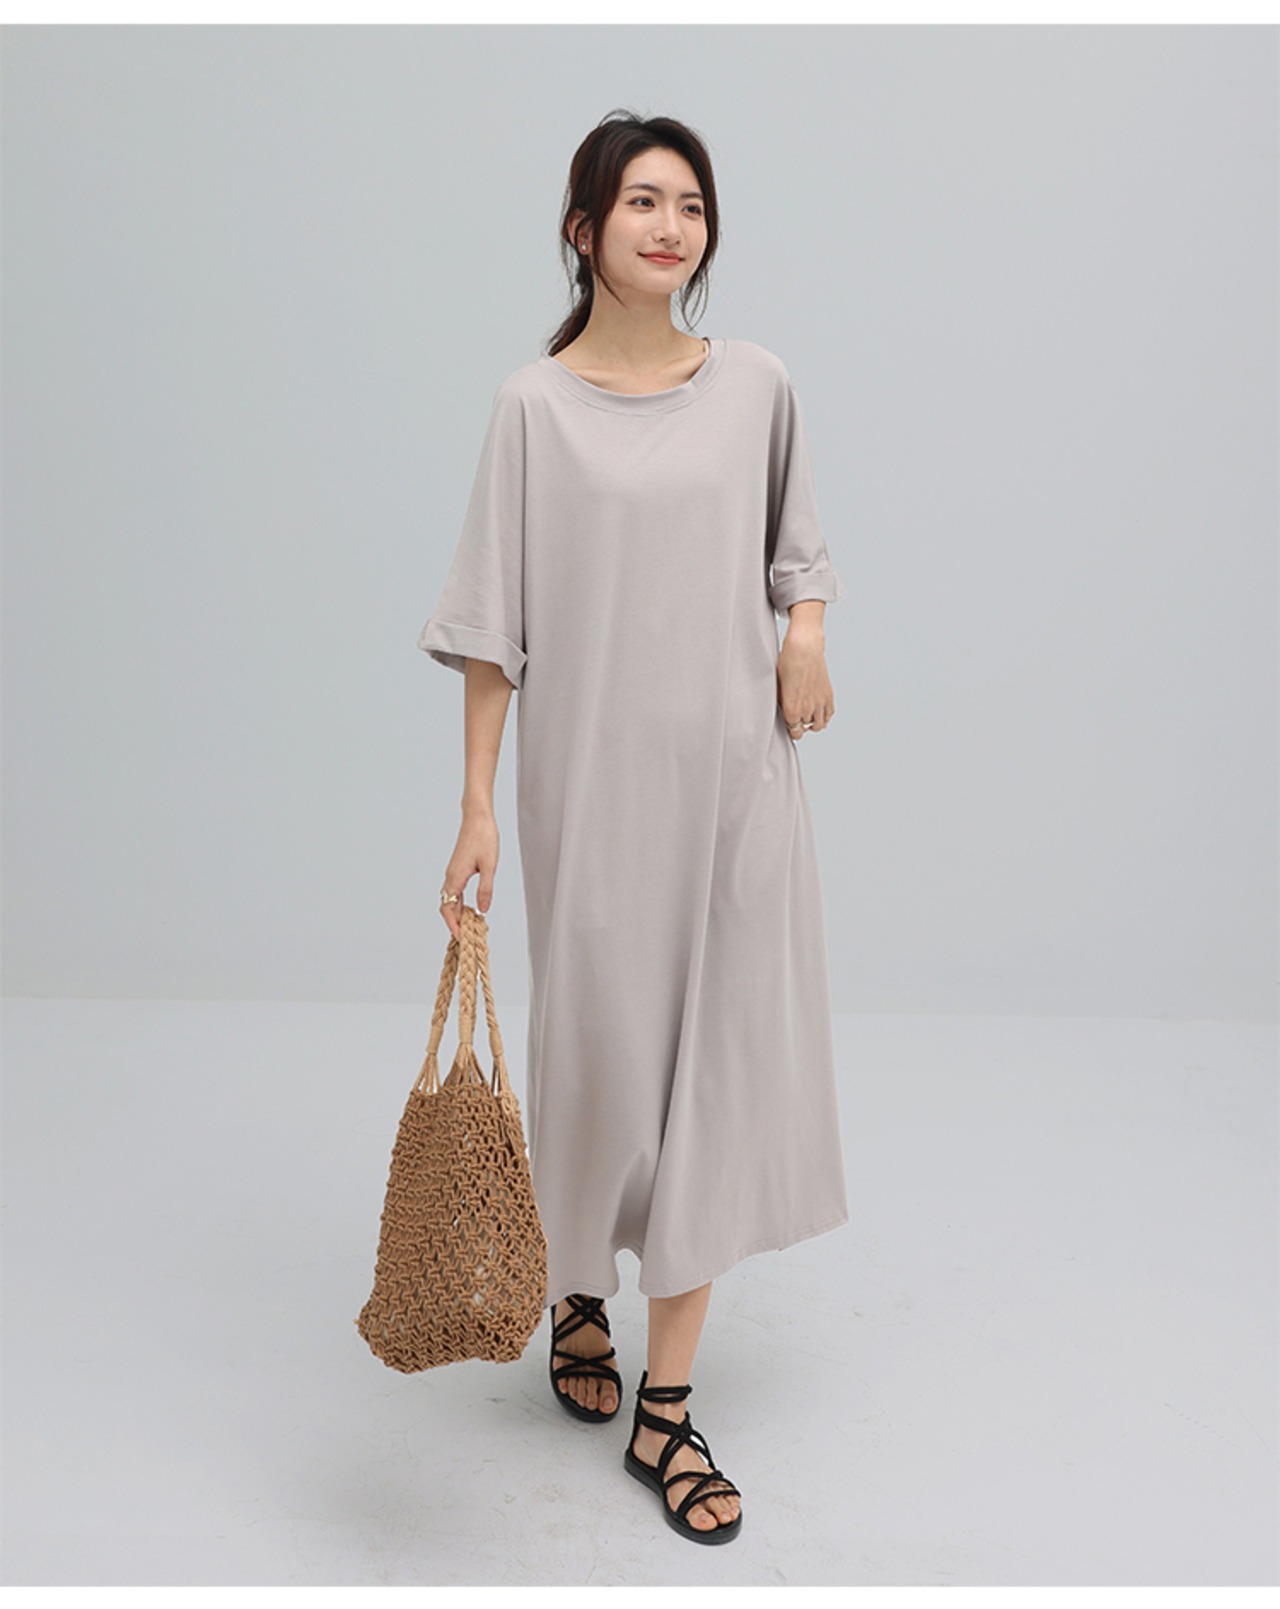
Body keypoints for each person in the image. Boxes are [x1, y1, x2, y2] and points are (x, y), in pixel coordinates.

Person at [417, 110, 849, 1546]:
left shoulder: (759, 384)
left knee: (713, 1075)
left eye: (691, 204)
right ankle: (576, 1291)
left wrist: (805, 632)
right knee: (599, 1055)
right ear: (583, 228)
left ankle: (667, 1409)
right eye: (642, 202)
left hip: (737, 789)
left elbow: (799, 551)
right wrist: (477, 806)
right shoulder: (532, 409)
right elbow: (493, 628)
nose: (671, 227)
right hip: (592, 795)